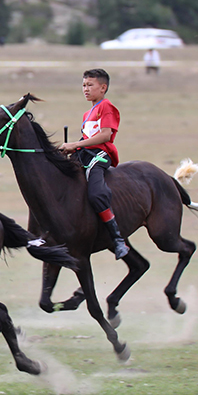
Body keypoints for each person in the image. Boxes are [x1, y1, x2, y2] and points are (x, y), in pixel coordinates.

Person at [58, 68, 129, 259]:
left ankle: (118, 240)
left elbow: (105, 135)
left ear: (103, 87)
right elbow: (87, 137)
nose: (85, 89)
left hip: (99, 155)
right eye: (83, 85)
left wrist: (76, 144)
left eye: (90, 85)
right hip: (84, 154)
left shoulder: (106, 107)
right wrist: (71, 148)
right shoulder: (87, 113)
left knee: (96, 193)